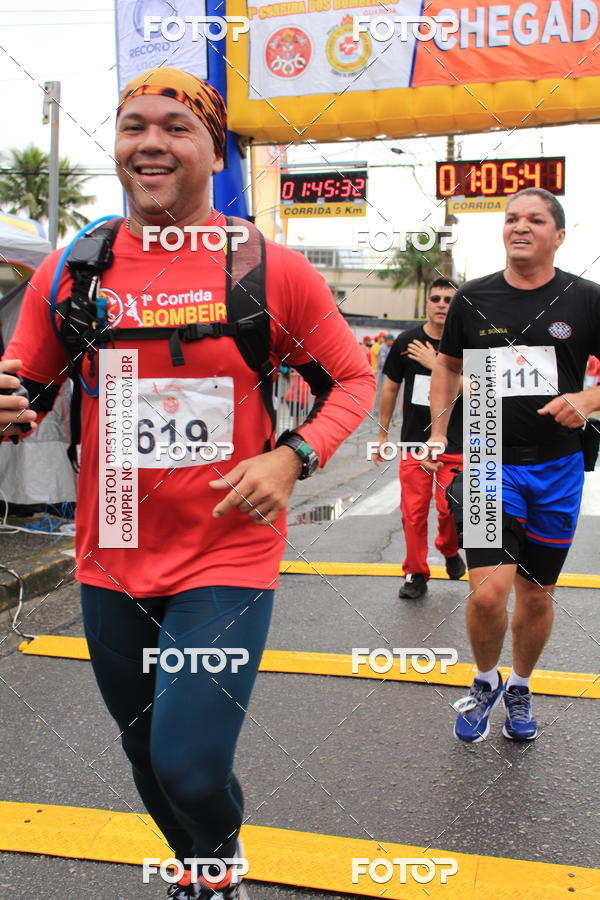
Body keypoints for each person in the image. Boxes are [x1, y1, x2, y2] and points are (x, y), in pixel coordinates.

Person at [0, 67, 375, 898]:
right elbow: (27, 383)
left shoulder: (267, 271)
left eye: (176, 126)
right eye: (135, 126)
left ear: (214, 150)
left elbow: (352, 382)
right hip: (114, 549)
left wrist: (293, 456)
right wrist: (10, 403)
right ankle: (206, 874)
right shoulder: (76, 270)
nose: (152, 143)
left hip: (226, 553)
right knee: (144, 753)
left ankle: (219, 855)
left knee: (190, 766)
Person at [426, 188, 600, 743]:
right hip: (485, 456)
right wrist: (435, 430)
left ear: (560, 235)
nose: (519, 226)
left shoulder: (586, 299)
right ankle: (483, 680)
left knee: (536, 592)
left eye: (535, 219)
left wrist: (589, 401)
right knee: (487, 593)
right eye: (511, 218)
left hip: (557, 465)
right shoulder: (473, 299)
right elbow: (447, 368)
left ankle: (520, 685)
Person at [372, 279, 465, 599]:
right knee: (413, 512)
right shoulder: (407, 341)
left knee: (450, 510)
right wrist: (383, 433)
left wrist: (437, 365)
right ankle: (416, 573)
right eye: (436, 298)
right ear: (427, 303)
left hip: (457, 444)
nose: (442, 304)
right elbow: (390, 388)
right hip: (414, 442)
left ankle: (449, 551)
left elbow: (482, 389)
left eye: (450, 299)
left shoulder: (470, 341)